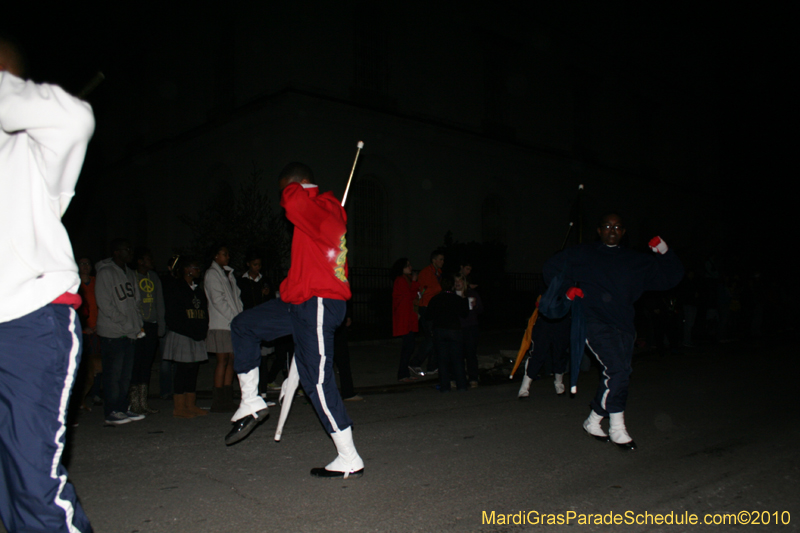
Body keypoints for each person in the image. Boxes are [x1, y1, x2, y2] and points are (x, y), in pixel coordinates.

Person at [0, 36, 95, 532]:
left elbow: (76, 118)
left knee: (35, 487)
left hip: (30, 320)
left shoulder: (29, 148)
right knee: (8, 485)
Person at [227, 162, 364, 479]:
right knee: (243, 325)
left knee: (316, 380)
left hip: (318, 302)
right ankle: (251, 402)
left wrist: (292, 188)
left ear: (301, 185)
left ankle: (349, 456)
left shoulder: (323, 211)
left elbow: (292, 201)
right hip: (298, 302)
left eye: (283, 190)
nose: (281, 200)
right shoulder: (316, 216)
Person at [542, 213, 683, 450]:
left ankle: (594, 419)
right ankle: (618, 427)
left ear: (623, 232)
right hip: (593, 322)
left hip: (624, 326)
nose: (612, 230)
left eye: (617, 227)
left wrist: (664, 251)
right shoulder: (583, 253)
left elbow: (671, 276)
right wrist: (569, 291)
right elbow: (551, 268)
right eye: (607, 226)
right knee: (617, 371)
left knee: (619, 373)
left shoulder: (634, 260)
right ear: (599, 230)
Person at [95, 238, 146, 425]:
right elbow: (105, 303)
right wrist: (123, 321)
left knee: (126, 374)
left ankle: (123, 408)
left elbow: (136, 301)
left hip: (131, 331)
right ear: (116, 252)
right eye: (127, 249)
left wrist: (137, 322)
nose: (130, 252)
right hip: (112, 332)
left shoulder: (131, 273)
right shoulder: (105, 272)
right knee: (113, 374)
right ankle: (112, 411)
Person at [162, 258, 210, 418]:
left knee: (193, 370)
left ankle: (191, 404)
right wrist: (188, 329)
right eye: (195, 267)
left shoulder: (196, 289)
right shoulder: (176, 287)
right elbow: (173, 314)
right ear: (187, 269)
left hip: (195, 334)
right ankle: (179, 407)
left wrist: (202, 330)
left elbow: (203, 311)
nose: (198, 270)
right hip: (182, 333)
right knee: (182, 370)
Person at [205, 244, 243, 412]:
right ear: (215, 256)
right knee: (222, 360)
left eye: (228, 254)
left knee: (231, 360)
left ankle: (227, 398)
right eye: (224, 254)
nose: (227, 257)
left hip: (232, 323)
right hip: (220, 323)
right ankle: (218, 400)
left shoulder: (228, 274)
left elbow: (237, 298)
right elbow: (218, 300)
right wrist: (234, 317)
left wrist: (239, 316)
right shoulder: (212, 274)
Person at [131, 247, 166, 414]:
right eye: (148, 258)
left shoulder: (154, 277)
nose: (152, 262)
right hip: (137, 325)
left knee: (146, 364)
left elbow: (159, 302)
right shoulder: (131, 276)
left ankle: (143, 403)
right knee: (135, 363)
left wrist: (161, 325)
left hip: (151, 324)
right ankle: (133, 402)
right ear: (140, 261)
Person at [426, 273, 470, 392]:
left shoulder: (435, 299)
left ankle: (445, 387)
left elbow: (428, 316)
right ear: (452, 286)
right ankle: (461, 385)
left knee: (442, 360)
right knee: (457, 359)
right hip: (454, 330)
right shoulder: (457, 299)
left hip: (439, 330)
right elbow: (464, 314)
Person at [408, 249, 444, 376]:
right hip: (426, 307)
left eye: (442, 259)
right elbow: (422, 290)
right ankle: (415, 362)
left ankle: (432, 366)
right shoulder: (426, 272)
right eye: (440, 259)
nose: (442, 262)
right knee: (432, 337)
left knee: (436, 336)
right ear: (433, 260)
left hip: (434, 307)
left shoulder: (438, 272)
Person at [391, 257, 420, 382]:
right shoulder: (401, 280)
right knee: (408, 347)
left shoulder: (405, 280)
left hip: (408, 317)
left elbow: (412, 295)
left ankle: (404, 373)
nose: (410, 267)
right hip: (405, 318)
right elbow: (409, 296)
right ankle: (402, 374)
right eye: (407, 265)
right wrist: (414, 283)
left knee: (409, 346)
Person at [455, 274, 483, 387]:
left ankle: (473, 378)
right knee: (458, 354)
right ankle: (459, 378)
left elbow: (481, 309)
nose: (457, 283)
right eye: (455, 281)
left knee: (471, 353)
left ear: (465, 283)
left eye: (460, 281)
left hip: (471, 327)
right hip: (457, 328)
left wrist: (475, 305)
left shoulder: (472, 294)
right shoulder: (451, 295)